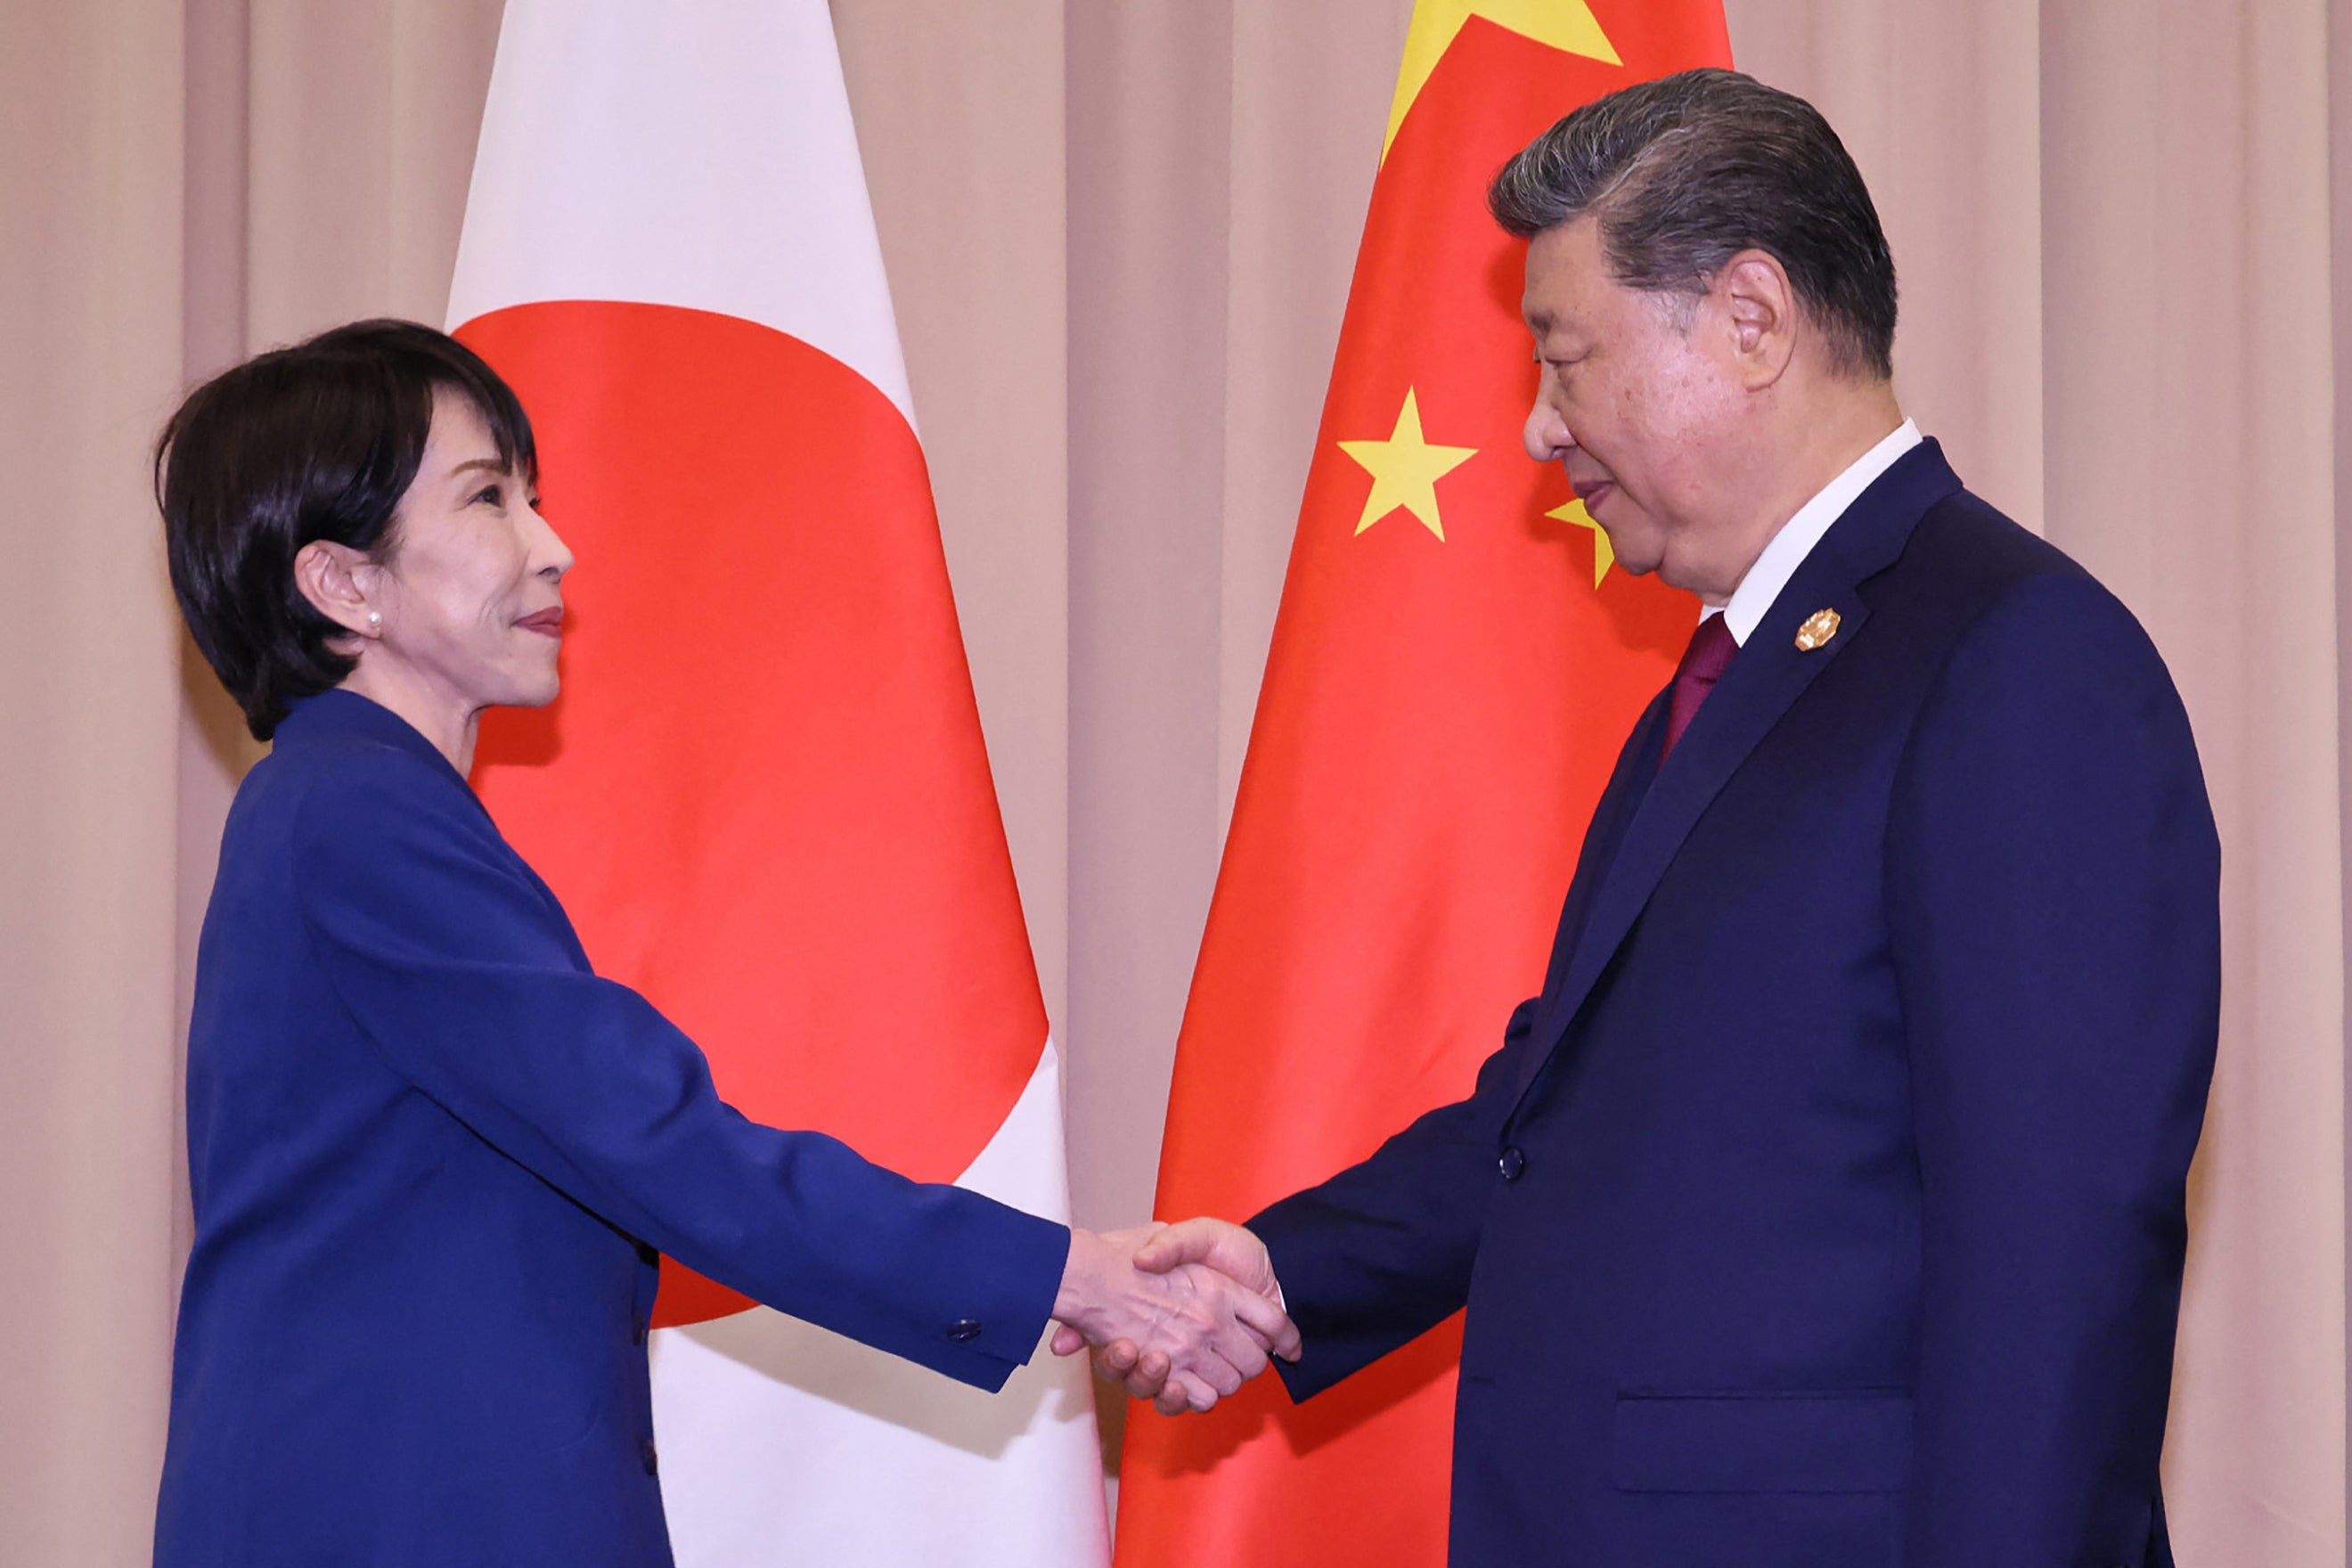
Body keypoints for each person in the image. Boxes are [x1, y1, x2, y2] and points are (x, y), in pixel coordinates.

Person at [1091, 69, 2217, 1567]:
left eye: (1568, 358)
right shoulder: (1730, 682)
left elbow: (2056, 1263)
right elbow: (1555, 1115)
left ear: (1749, 321)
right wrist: (1283, 1273)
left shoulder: (2013, 658)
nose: (1543, 433)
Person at [149, 319, 1296, 1568]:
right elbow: (657, 1140)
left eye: (537, 496)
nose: (553, 547)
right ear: (344, 583)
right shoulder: (358, 812)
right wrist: (1069, 1276)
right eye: (489, 499)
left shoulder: (341, 807)